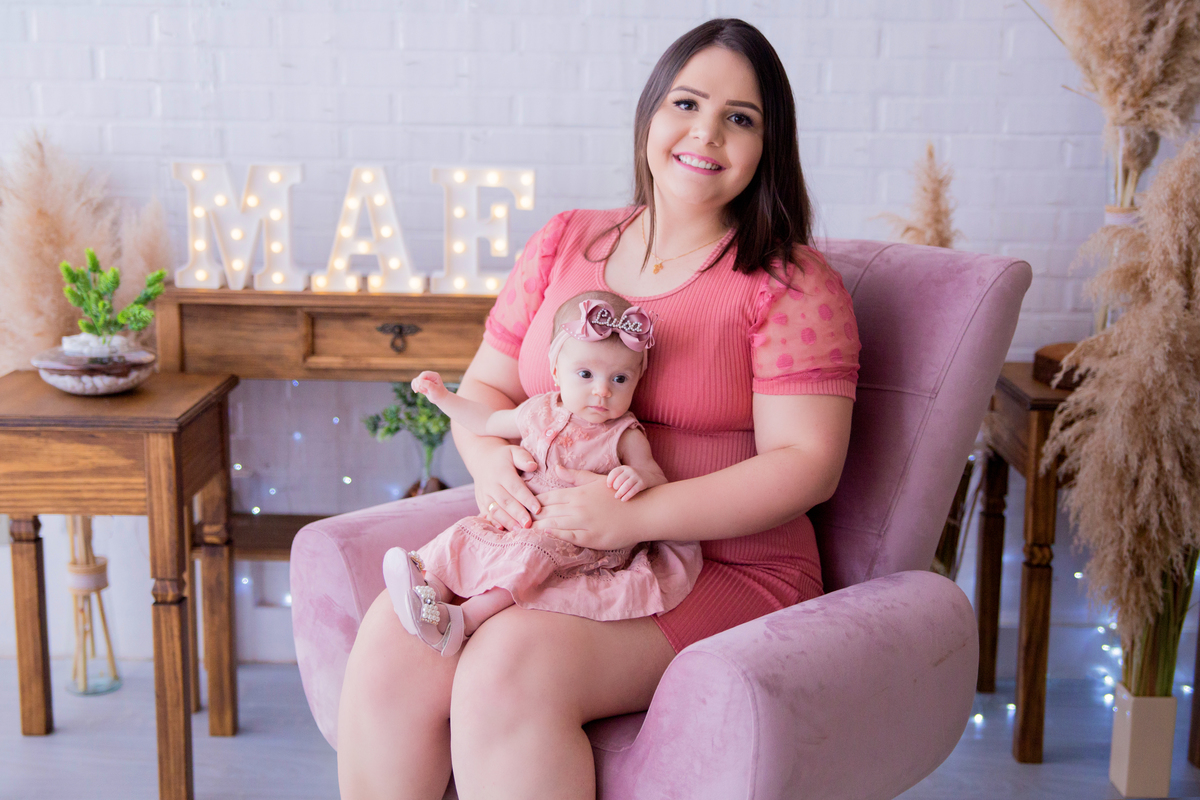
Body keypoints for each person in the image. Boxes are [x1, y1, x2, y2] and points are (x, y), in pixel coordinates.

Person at [336, 17, 860, 800]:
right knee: (393, 635)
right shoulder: (565, 241)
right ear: (651, 111)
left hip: (729, 566)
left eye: (740, 118)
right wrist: (492, 469)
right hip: (553, 542)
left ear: (768, 145)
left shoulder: (791, 284)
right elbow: (485, 391)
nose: (706, 132)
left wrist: (635, 517)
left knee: (506, 668)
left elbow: (808, 465)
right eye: (686, 103)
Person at [383, 291, 701, 657]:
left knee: (529, 558)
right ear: (555, 372)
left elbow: (654, 477)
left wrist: (638, 478)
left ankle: (462, 621)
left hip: (574, 539)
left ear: (637, 379)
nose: (602, 390)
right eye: (585, 374)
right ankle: (427, 592)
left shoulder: (624, 434)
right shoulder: (538, 411)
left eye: (619, 379)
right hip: (520, 520)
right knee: (464, 534)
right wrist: (443, 398)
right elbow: (486, 421)